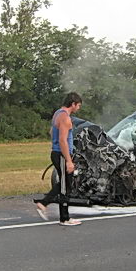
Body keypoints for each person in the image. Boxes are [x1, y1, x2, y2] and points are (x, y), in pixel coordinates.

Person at [36, 92, 83, 226]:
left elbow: (52, 132)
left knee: (65, 183)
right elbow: (63, 141)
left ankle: (45, 203)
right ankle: (64, 218)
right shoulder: (65, 118)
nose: (78, 108)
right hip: (61, 154)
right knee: (64, 186)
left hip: (57, 153)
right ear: (73, 104)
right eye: (78, 105)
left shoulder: (58, 113)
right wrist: (68, 160)